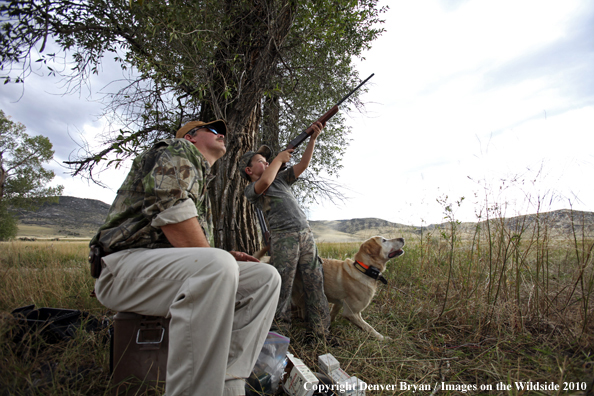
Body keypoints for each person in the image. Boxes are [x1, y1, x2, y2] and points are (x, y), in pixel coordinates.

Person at [90, 119, 281, 396]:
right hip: (122, 267)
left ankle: (229, 383)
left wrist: (223, 257)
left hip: (155, 269)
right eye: (214, 131)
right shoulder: (179, 150)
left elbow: (180, 247)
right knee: (217, 265)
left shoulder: (200, 178)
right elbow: (173, 215)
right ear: (191, 137)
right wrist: (218, 262)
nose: (222, 135)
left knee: (265, 278)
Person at [240, 121, 333, 344]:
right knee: (283, 288)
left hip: (305, 235)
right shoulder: (252, 190)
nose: (266, 163)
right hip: (284, 238)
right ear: (249, 171)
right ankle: (279, 339)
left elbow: (303, 164)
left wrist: (312, 139)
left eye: (267, 161)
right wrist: (279, 159)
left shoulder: (281, 179)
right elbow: (264, 182)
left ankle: (321, 335)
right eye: (261, 162)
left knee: (315, 283)